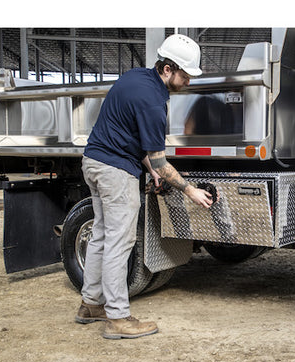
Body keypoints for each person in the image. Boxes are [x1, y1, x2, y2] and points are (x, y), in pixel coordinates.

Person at [75, 34, 213, 339]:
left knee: (100, 235)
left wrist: (151, 172)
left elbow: (137, 143)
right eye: (186, 75)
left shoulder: (136, 77)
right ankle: (118, 318)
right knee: (119, 243)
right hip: (116, 172)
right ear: (167, 68)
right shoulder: (153, 101)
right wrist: (190, 190)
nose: (188, 82)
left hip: (94, 161)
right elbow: (161, 161)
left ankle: (91, 303)